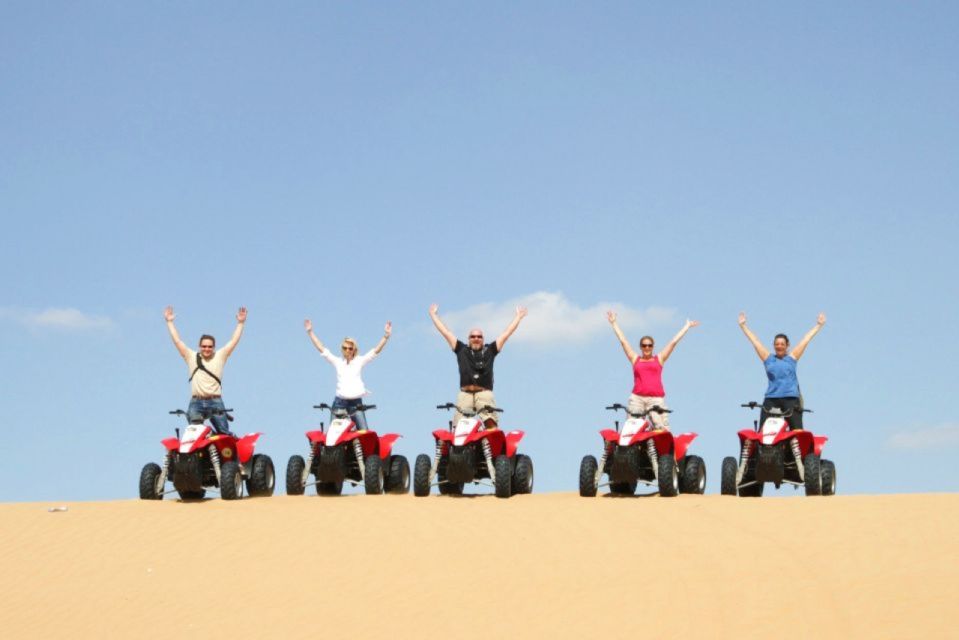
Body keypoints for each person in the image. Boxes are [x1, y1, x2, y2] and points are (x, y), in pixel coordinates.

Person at [429, 303, 527, 426]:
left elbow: (506, 334)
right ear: (468, 339)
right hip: (465, 393)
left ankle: (491, 443)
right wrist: (433, 315)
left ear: (483, 339)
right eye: (473, 336)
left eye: (479, 337)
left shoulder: (490, 350)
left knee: (490, 421)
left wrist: (518, 317)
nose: (476, 338)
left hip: (484, 393)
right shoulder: (461, 349)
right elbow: (446, 332)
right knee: (458, 426)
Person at [607, 311, 699, 430]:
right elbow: (623, 341)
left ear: (653, 346)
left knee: (661, 428)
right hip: (637, 399)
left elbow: (673, 342)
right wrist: (614, 323)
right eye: (644, 345)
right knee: (632, 428)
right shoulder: (635, 359)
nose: (647, 348)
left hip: (656, 399)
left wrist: (686, 327)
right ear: (640, 347)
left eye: (649, 345)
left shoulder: (659, 359)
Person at [164, 305, 246, 434]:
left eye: (209, 346)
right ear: (199, 346)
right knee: (194, 433)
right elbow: (177, 341)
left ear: (214, 347)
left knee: (224, 434)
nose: (206, 349)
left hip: (215, 401)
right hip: (196, 402)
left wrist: (240, 323)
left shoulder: (220, 356)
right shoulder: (191, 356)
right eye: (204, 346)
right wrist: (169, 322)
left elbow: (233, 341)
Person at [738, 311, 826, 430]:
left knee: (797, 432)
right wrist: (743, 326)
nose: (779, 346)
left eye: (782, 344)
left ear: (787, 345)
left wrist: (818, 325)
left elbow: (805, 340)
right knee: (762, 432)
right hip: (771, 398)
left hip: (790, 398)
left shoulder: (792, 358)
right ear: (774, 346)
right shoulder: (768, 359)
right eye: (777, 344)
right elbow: (755, 342)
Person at [305, 319, 391, 431]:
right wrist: (310, 332)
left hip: (356, 403)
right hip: (339, 403)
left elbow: (375, 351)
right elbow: (321, 348)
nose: (347, 350)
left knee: (364, 432)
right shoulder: (338, 362)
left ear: (354, 349)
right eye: (345, 348)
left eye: (350, 348)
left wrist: (386, 336)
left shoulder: (359, 361)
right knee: (332, 435)